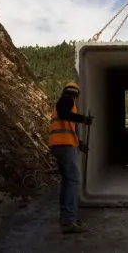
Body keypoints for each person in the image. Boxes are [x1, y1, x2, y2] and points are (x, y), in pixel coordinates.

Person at [49, 82, 93, 234]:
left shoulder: (66, 104)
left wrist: (80, 145)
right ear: (75, 94)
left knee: (67, 182)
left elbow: (68, 129)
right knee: (73, 181)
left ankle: (66, 218)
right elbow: (63, 114)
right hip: (65, 147)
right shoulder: (66, 101)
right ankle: (69, 221)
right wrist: (84, 119)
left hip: (60, 146)